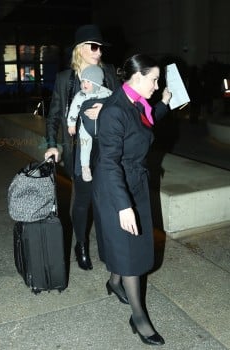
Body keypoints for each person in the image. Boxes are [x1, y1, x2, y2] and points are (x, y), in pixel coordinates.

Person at [92, 54, 172, 346]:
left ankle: (115, 283)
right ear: (137, 77)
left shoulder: (136, 102)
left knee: (131, 243)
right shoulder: (115, 110)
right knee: (127, 249)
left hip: (134, 181)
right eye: (154, 79)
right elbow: (109, 163)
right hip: (115, 187)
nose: (156, 84)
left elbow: (146, 122)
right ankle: (138, 317)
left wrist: (163, 101)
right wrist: (123, 205)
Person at [44, 24, 119, 270]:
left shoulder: (108, 72)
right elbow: (54, 115)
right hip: (80, 148)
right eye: (94, 47)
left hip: (107, 146)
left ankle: (108, 247)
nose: (99, 52)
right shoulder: (66, 79)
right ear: (80, 49)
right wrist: (52, 145)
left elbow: (123, 106)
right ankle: (82, 244)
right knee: (83, 198)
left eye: (101, 47)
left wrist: (105, 110)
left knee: (105, 199)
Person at [67, 65, 112, 182]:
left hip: (104, 128)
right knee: (85, 145)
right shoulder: (81, 95)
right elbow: (73, 110)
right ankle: (85, 167)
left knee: (107, 147)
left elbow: (115, 102)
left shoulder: (106, 92)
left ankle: (107, 167)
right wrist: (71, 124)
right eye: (83, 81)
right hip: (86, 128)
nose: (84, 84)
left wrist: (105, 107)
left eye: (88, 81)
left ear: (97, 83)